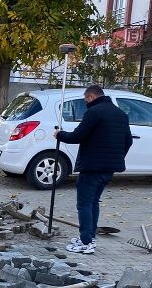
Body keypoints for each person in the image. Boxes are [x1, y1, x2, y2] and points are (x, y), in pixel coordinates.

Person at [53, 84, 132, 255]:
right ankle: (91, 235)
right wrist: (116, 157)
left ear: (91, 97)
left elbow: (77, 136)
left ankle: (86, 242)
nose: (86, 103)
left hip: (91, 167)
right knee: (94, 202)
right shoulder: (121, 114)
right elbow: (128, 141)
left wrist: (59, 134)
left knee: (84, 204)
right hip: (109, 168)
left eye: (85, 100)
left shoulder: (94, 112)